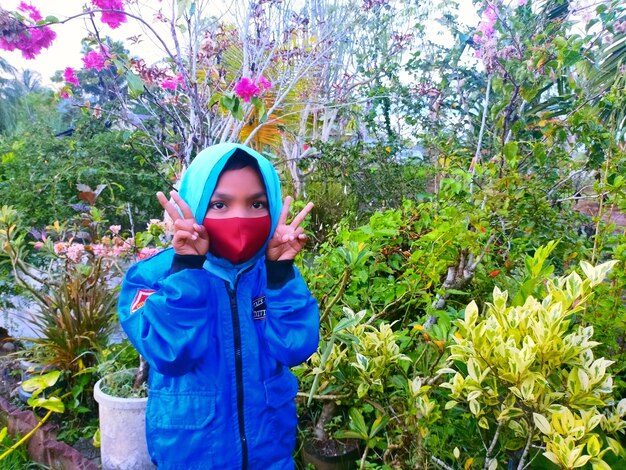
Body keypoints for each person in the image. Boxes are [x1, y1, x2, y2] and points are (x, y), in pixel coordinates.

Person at [118, 142, 320, 469]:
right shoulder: (151, 277)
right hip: (190, 454)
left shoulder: (273, 273)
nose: (240, 217)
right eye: (220, 204)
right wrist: (186, 270)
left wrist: (280, 275)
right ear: (194, 203)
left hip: (270, 453)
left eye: (256, 204)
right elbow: (168, 352)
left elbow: (295, 347)